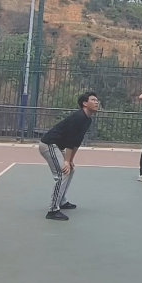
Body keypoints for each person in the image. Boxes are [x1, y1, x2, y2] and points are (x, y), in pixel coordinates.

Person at [39, 92, 99, 221]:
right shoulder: (79, 117)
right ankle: (53, 210)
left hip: (57, 146)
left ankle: (61, 201)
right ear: (85, 103)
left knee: (70, 170)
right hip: (49, 145)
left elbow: (77, 141)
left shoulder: (87, 119)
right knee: (62, 173)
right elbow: (70, 139)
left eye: (97, 100)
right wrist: (66, 160)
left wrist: (70, 160)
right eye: (93, 100)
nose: (97, 102)